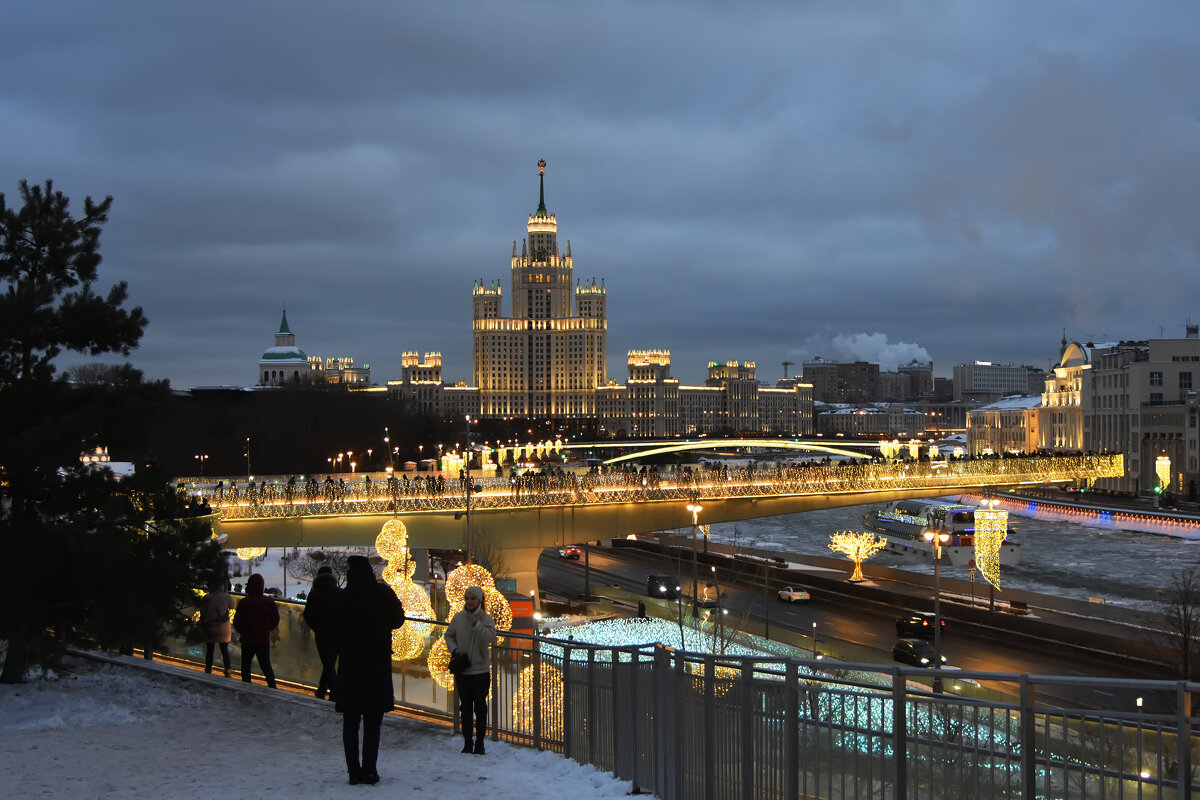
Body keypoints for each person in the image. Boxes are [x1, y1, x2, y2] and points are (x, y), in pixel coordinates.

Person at [332, 555, 404, 786]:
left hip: (351, 667)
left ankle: (354, 772)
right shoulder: (382, 594)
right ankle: (370, 770)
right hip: (376, 666)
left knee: (350, 724)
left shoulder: (342, 597)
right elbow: (398, 620)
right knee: (373, 723)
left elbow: (330, 626)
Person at [444, 585, 497, 755]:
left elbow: (490, 638)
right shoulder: (458, 617)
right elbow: (449, 635)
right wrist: (454, 650)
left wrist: (475, 623)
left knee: (480, 707)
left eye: (473, 598)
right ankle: (468, 742)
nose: (469, 601)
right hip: (463, 670)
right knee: (465, 707)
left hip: (480, 671)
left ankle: (480, 742)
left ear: (479, 601)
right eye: (467, 598)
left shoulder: (486, 619)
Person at [232, 573, 279, 688]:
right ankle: (272, 687)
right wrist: (267, 629)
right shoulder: (269, 602)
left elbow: (237, 621)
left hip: (247, 638)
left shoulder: (244, 602)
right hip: (263, 639)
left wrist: (242, 631)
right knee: (266, 665)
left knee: (246, 666)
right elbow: (275, 620)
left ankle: (246, 687)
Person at [302, 565, 340, 700]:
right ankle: (322, 689)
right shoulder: (339, 592)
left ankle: (334, 692)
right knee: (329, 663)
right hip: (337, 633)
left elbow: (308, 615)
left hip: (322, 634)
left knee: (327, 662)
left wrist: (316, 627)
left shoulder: (315, 593)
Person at [200, 579, 236, 677]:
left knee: (210, 650)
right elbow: (233, 606)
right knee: (224, 650)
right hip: (223, 628)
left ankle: (208, 669)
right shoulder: (227, 597)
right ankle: (228, 669)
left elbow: (203, 612)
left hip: (210, 627)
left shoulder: (207, 597)